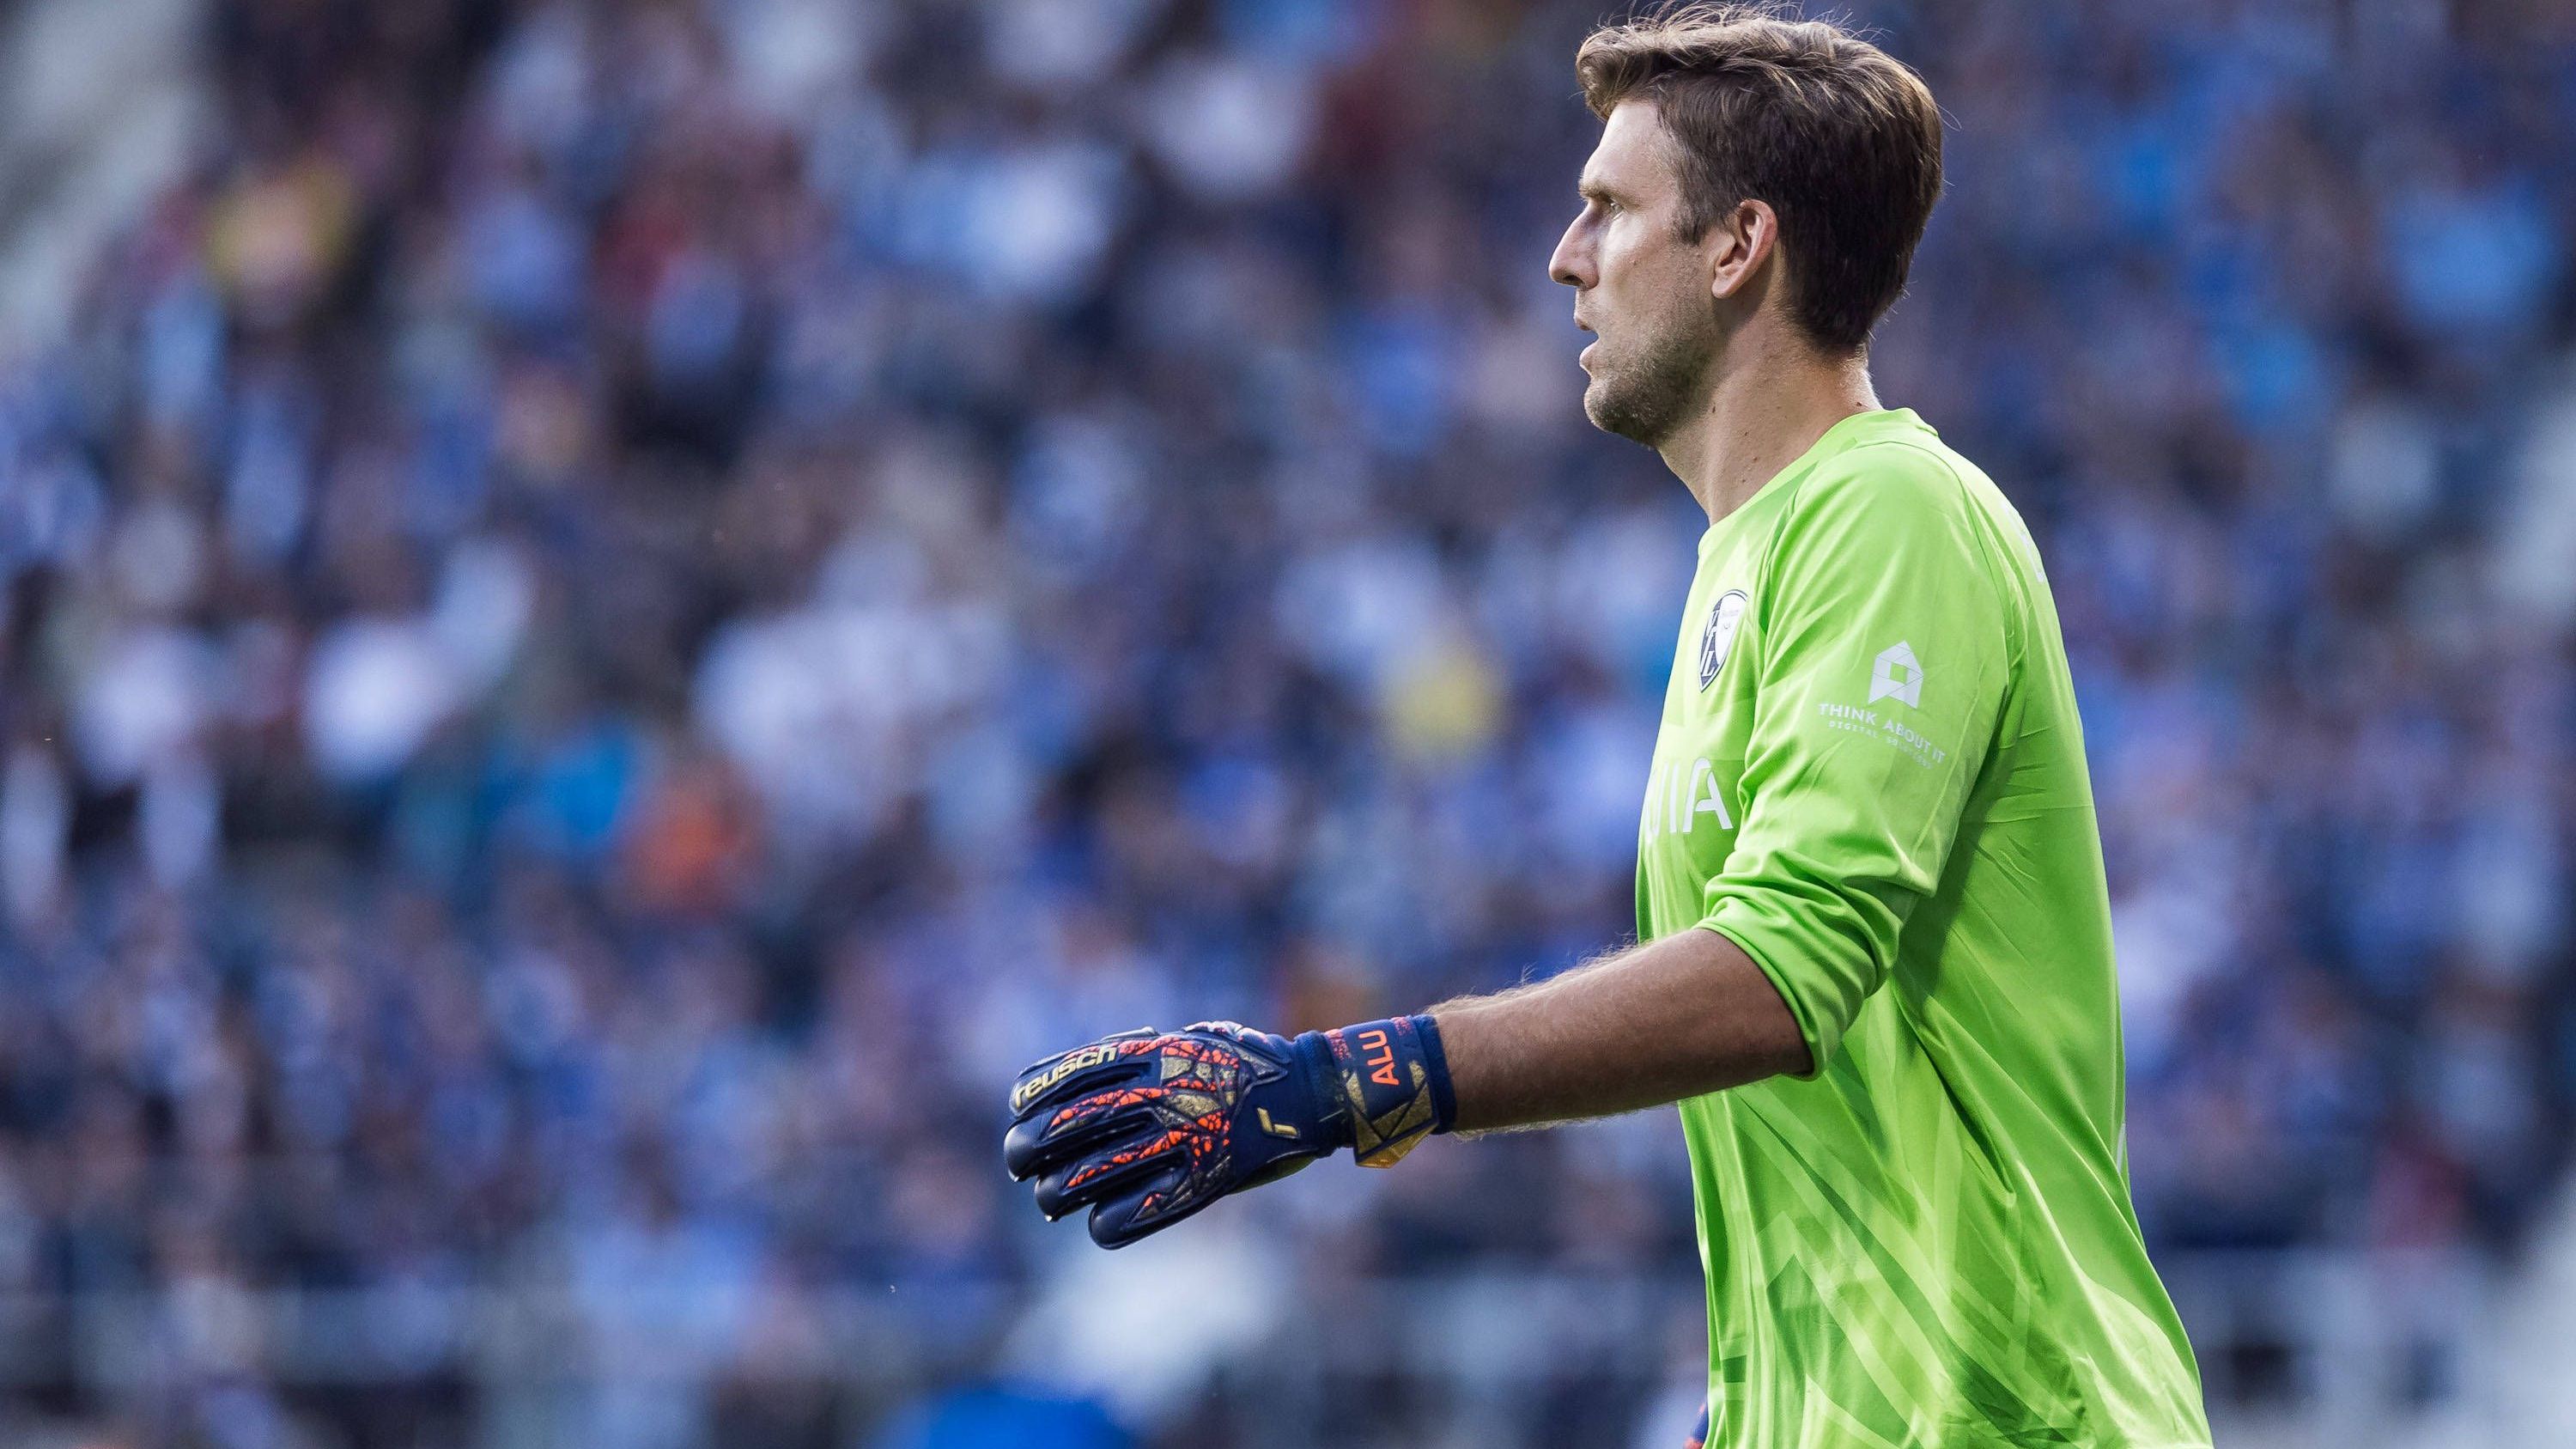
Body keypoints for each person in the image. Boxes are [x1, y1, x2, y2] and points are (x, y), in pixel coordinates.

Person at [1005, 6, 2215, 1445]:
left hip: (2013, 1419)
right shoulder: (1749, 563)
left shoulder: (1892, 512)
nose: (1565, 259)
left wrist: (1355, 1079)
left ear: (1735, 246)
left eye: (1606, 211)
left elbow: (1783, 974)